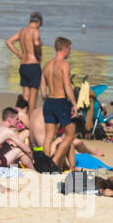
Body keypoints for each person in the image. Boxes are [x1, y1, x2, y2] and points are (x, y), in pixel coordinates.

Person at [41, 36, 77, 166]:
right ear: (64, 48)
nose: (70, 52)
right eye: (69, 49)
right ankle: (54, 162)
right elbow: (67, 86)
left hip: (49, 102)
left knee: (49, 136)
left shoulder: (47, 65)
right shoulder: (64, 65)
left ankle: (45, 163)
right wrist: (73, 103)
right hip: (61, 101)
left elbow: (42, 88)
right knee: (70, 134)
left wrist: (47, 100)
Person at [5, 11, 44, 116]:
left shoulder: (22, 31)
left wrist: (19, 54)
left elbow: (8, 42)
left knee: (25, 98)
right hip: (33, 65)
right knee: (33, 101)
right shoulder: (35, 31)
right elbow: (36, 43)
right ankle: (30, 125)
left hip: (23, 66)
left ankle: (22, 121)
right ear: (39, 22)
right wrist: (39, 49)